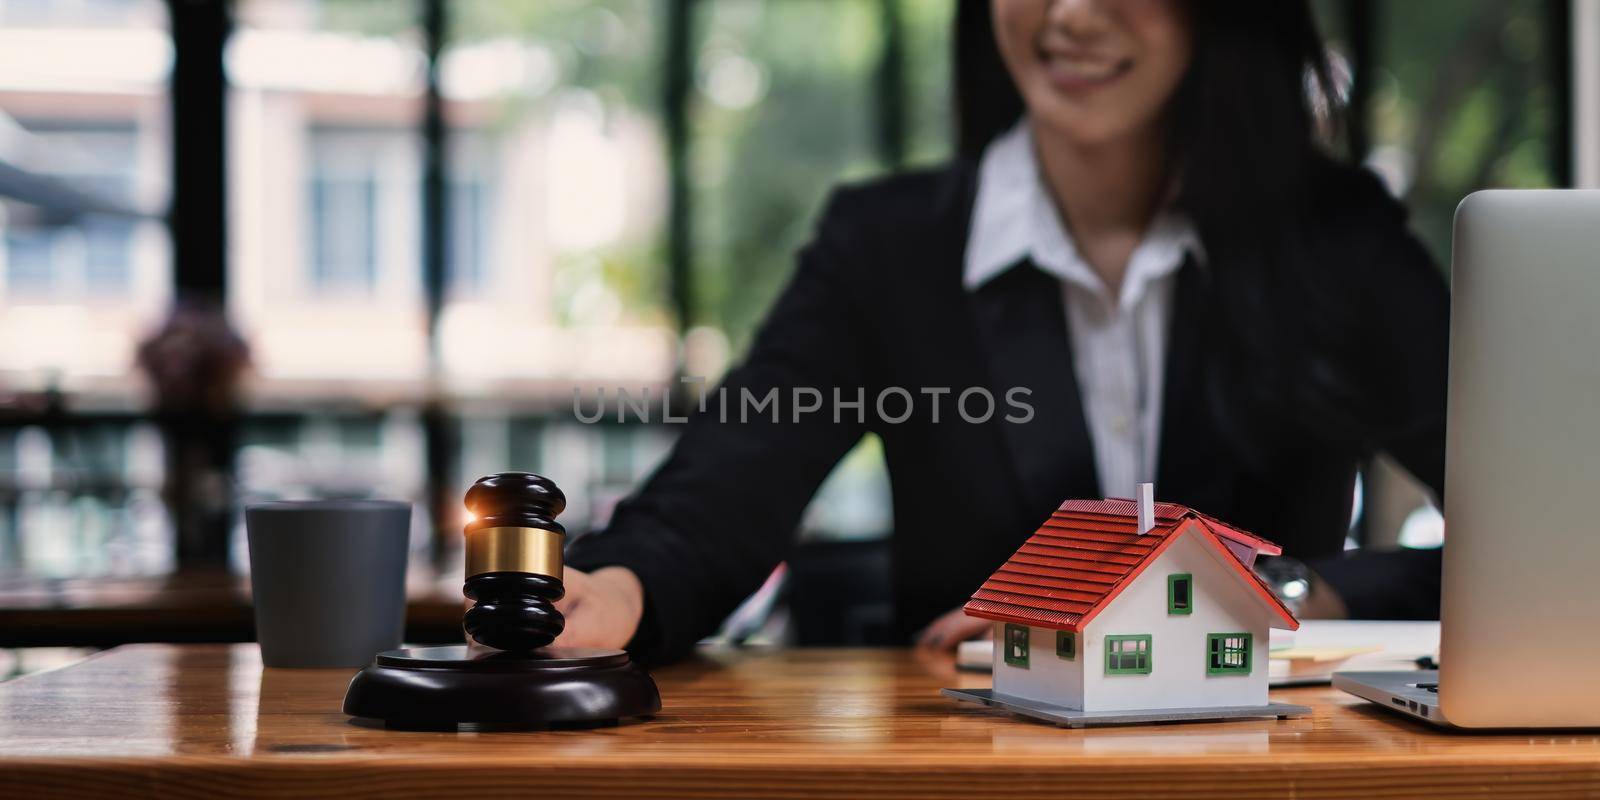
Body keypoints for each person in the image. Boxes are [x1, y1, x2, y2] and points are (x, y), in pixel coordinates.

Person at [557, 0, 1449, 665]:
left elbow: (1546, 540)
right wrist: (618, 591)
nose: (1068, 15)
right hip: (976, 753)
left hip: (1271, 761)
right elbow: (723, 493)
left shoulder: (1339, 243)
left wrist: (1285, 591)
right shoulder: (889, 248)